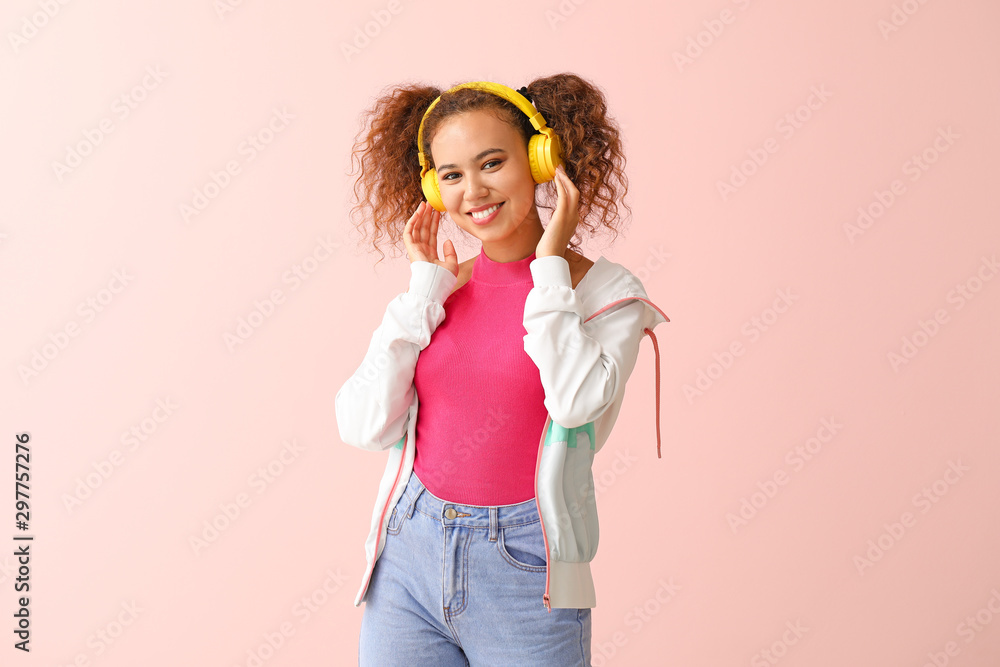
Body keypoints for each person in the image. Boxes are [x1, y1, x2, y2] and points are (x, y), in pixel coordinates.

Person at [336, 74, 670, 666]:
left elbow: (575, 404)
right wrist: (421, 292)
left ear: (540, 160)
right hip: (409, 555)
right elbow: (363, 425)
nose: (474, 191)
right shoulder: (442, 289)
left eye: (492, 162)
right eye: (452, 175)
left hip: (526, 567)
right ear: (433, 190)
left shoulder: (606, 296)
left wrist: (548, 271)